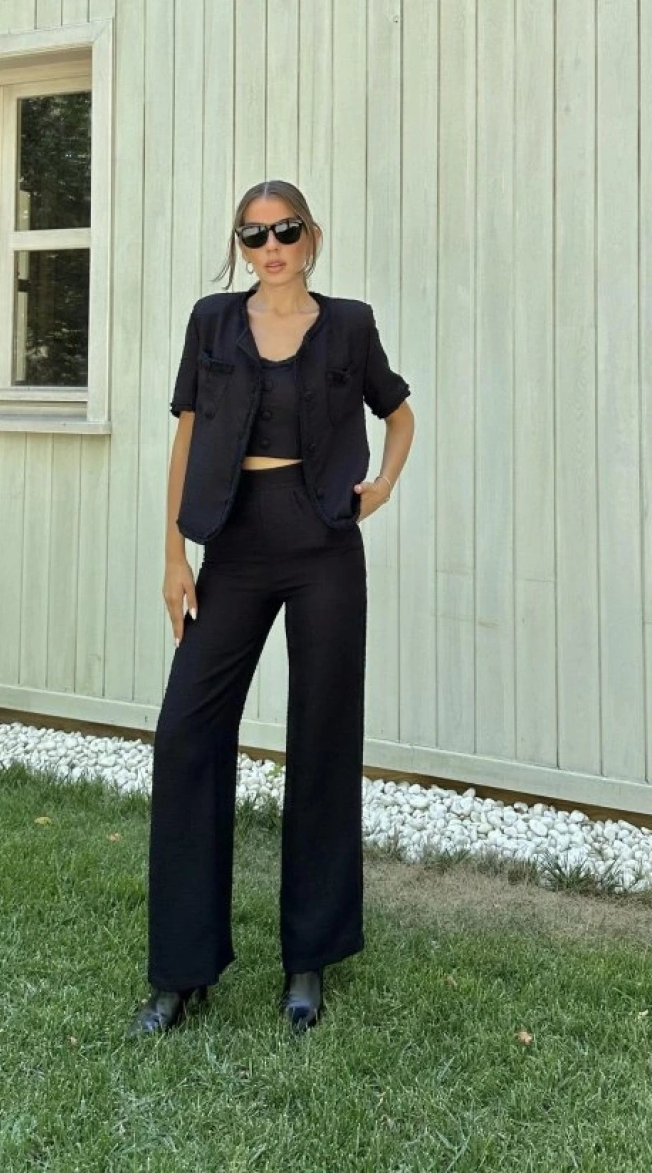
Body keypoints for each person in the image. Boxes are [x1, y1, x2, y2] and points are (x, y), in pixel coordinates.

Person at [127, 180, 415, 1036]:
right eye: (253, 235)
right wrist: (175, 554)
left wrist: (382, 484)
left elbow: (399, 412)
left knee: (322, 736)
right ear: (241, 245)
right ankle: (181, 971)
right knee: (187, 733)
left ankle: (307, 960)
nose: (270, 247)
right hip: (235, 543)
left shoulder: (350, 325)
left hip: (323, 542)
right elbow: (186, 437)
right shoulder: (212, 322)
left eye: (284, 230)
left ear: (310, 235)